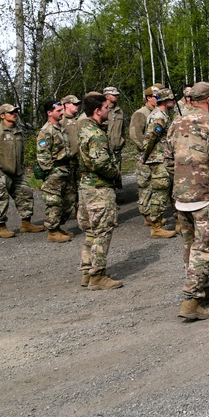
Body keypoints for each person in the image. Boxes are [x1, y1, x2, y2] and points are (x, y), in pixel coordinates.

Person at [164, 81, 209, 321]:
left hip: (181, 194)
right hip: (205, 194)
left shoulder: (175, 122)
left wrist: (175, 187)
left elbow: (168, 158)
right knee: (205, 246)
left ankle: (202, 289)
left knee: (190, 245)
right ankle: (191, 301)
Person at [77, 92, 123, 290]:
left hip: (86, 186)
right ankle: (97, 275)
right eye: (106, 108)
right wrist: (116, 173)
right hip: (99, 188)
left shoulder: (84, 127)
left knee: (90, 232)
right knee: (102, 231)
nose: (109, 111)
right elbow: (101, 162)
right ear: (97, 111)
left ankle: (87, 271)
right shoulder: (96, 134)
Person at [0, 104, 41, 238]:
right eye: (11, 112)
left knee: (25, 194)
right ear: (2, 116)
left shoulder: (18, 131)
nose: (15, 114)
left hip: (17, 172)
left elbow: (21, 151)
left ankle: (26, 224)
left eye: (16, 112)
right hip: (0, 173)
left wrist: (21, 167)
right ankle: (1, 227)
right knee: (0, 199)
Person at [141, 88, 178, 238]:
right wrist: (144, 156)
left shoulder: (164, 115)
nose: (174, 102)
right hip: (158, 159)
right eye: (171, 99)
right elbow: (150, 138)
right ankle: (156, 226)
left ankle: (179, 222)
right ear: (165, 100)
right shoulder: (158, 116)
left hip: (165, 157)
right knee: (160, 192)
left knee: (171, 191)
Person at [36, 99, 74, 243]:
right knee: (54, 201)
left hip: (65, 169)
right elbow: (42, 155)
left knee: (69, 200)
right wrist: (51, 171)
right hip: (55, 171)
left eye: (61, 110)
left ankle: (58, 227)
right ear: (49, 113)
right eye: (58, 111)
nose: (61, 113)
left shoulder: (61, 128)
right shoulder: (46, 131)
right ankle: (52, 231)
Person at [130, 86, 159, 226]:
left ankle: (154, 213)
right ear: (149, 98)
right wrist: (146, 150)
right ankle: (147, 214)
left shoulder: (158, 112)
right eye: (156, 97)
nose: (159, 99)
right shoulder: (141, 113)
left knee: (156, 185)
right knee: (145, 185)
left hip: (157, 156)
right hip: (146, 156)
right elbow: (135, 134)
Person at [102, 87, 126, 188]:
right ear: (107, 96)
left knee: (117, 172)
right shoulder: (102, 111)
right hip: (105, 149)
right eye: (114, 95)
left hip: (117, 148)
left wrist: (122, 141)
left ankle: (117, 194)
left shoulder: (119, 111)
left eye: (117, 95)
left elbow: (123, 129)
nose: (117, 96)